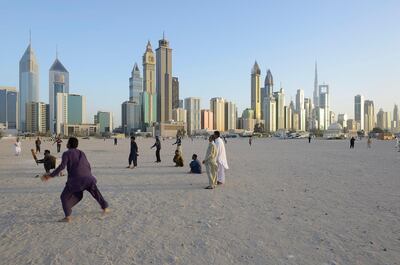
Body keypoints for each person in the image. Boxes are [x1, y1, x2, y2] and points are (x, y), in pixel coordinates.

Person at [41, 137, 109, 223]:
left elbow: (62, 166)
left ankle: (68, 217)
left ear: (69, 144)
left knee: (64, 197)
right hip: (89, 178)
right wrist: (88, 175)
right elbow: (88, 164)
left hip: (75, 180)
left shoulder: (66, 153)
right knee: (95, 193)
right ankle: (105, 207)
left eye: (67, 142)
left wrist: (50, 176)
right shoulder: (81, 152)